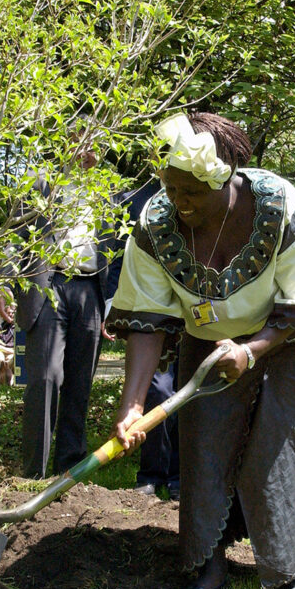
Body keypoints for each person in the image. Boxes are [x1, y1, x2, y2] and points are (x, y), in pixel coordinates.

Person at [107, 112, 295, 589]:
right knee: (204, 449)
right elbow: (147, 322)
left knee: (281, 445)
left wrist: (252, 350)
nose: (180, 202)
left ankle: (291, 569)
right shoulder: (154, 226)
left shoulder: (280, 206)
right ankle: (209, 568)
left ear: (224, 179)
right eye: (171, 189)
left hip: (287, 335)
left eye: (191, 191)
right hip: (207, 342)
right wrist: (132, 405)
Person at [0, 144, 108, 479]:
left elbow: (123, 248)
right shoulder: (40, 183)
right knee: (44, 378)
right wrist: (5, 283)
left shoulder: (110, 191)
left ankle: (69, 470)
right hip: (48, 285)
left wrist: (118, 302)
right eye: (78, 142)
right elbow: (15, 238)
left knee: (79, 383)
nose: (84, 152)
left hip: (92, 289)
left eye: (94, 147)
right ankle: (34, 474)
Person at [105, 179, 180, 499]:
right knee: (158, 390)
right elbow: (118, 255)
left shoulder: (207, 196)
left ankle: (179, 477)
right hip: (151, 313)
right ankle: (150, 475)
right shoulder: (135, 200)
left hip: (196, 315)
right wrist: (113, 304)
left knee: (186, 394)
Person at [0, 295, 16, 386]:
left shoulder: (17, 329)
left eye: (13, 313)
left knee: (12, 360)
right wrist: (10, 350)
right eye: (8, 313)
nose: (11, 315)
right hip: (1, 351)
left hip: (11, 353)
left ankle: (11, 384)